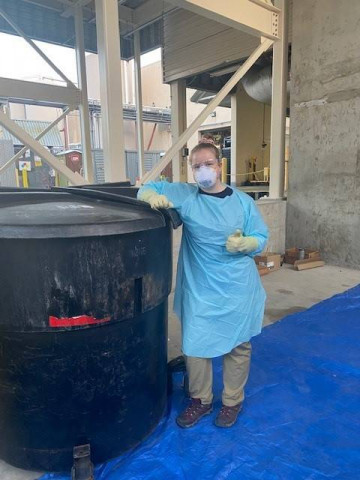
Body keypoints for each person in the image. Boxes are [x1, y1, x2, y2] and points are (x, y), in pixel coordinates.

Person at [138, 143, 268, 429]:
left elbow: (260, 236)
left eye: (208, 163)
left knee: (238, 345)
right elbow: (146, 186)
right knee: (195, 345)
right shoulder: (185, 195)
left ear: (220, 165)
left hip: (237, 286)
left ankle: (232, 401)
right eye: (196, 166)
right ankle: (201, 400)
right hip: (201, 286)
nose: (202, 170)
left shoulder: (243, 202)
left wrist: (247, 243)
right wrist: (150, 195)